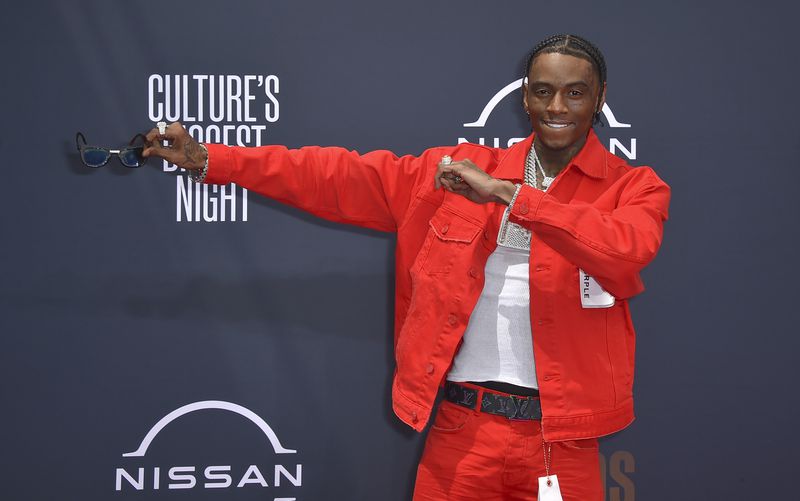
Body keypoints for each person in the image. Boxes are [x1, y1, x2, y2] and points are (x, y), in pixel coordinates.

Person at [143, 34, 670, 501]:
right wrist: (215, 160)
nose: (557, 105)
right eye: (543, 90)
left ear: (598, 98)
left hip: (562, 443)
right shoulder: (456, 173)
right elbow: (336, 177)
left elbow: (627, 248)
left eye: (575, 92)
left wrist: (510, 196)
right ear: (525, 96)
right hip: (462, 430)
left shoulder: (634, 187)